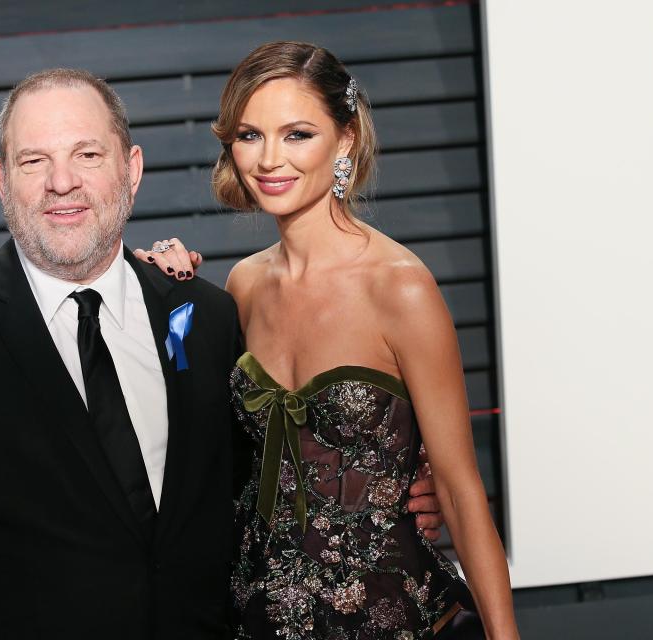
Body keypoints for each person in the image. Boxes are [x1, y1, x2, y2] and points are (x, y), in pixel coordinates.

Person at [0, 67, 446, 639]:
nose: (61, 181)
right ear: (1, 179)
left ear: (131, 170)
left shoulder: (204, 319)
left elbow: (265, 475)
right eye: (34, 161)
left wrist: (402, 484)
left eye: (87, 154)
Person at [137, 42, 518, 639]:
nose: (268, 159)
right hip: (255, 619)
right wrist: (165, 298)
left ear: (344, 140)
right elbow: (209, 449)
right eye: (248, 135)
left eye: (296, 134)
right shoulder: (243, 285)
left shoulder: (400, 288)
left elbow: (460, 490)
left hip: (396, 621)